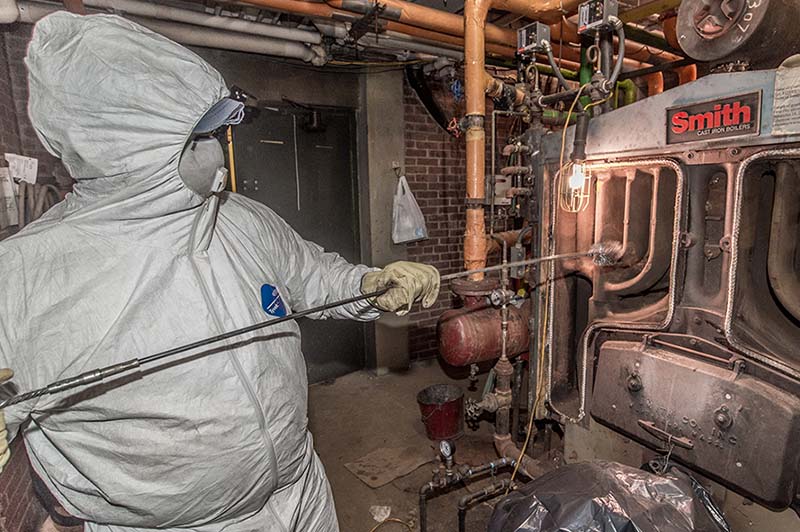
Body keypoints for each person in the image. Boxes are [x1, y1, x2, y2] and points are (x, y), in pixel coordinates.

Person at [0, 11, 439, 532]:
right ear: (138, 149)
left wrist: (369, 286)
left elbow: (313, 276)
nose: (221, 151)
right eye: (202, 137)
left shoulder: (241, 218)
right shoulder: (23, 278)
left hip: (300, 495)